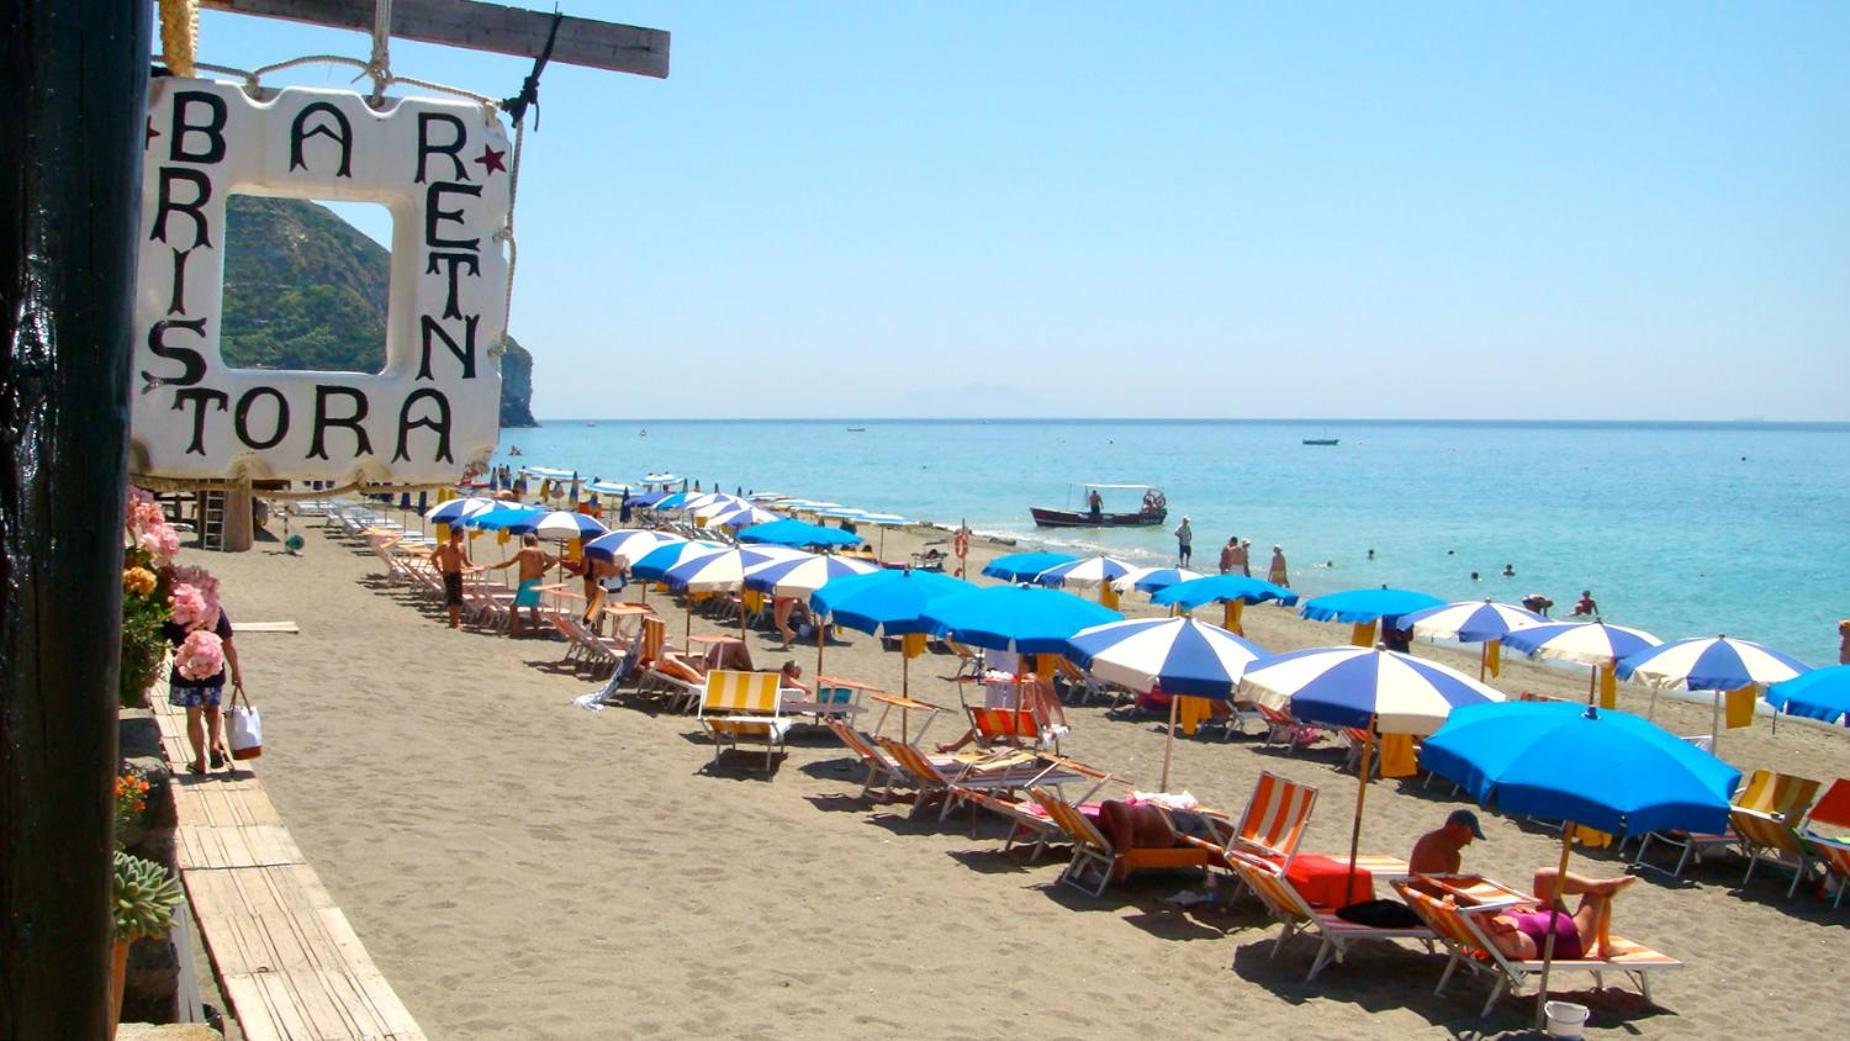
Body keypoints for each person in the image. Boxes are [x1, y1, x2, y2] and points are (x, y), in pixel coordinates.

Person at [1478, 871, 1638, 961]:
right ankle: (1605, 946)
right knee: (1598, 896)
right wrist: (1489, 930)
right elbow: (1513, 950)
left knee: (1543, 876)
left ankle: (1597, 885)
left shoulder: (1495, 918)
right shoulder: (1499, 938)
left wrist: (1516, 908)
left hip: (1550, 916)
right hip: (1574, 937)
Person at [164, 608, 243, 775]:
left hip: (186, 671)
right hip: (212, 669)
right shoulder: (215, 610)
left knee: (193, 718)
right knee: (213, 710)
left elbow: (161, 642)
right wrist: (236, 671)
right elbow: (228, 645)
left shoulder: (176, 612)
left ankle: (199, 762)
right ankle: (214, 745)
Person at [489, 533, 558, 636]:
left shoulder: (524, 551)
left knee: (514, 606)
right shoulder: (541, 552)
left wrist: (494, 567)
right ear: (535, 541)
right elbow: (553, 562)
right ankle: (537, 630)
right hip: (537, 581)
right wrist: (541, 570)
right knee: (533, 606)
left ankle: (515, 631)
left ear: (525, 542)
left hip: (527, 582)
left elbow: (509, 563)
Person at [1409, 809, 1486, 874]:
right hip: (1426, 891)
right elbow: (1443, 890)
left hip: (1411, 888)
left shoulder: (1427, 839)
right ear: (1456, 828)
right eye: (1470, 835)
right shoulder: (1452, 856)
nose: (1469, 842)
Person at [430, 527, 477, 629]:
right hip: (448, 574)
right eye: (461, 535)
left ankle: (456, 621)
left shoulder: (462, 547)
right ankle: (453, 622)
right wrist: (439, 569)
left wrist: (476, 567)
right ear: (454, 535)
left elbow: (466, 562)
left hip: (457, 574)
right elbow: (433, 557)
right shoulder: (444, 546)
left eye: (463, 535)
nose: (463, 537)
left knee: (458, 598)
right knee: (452, 598)